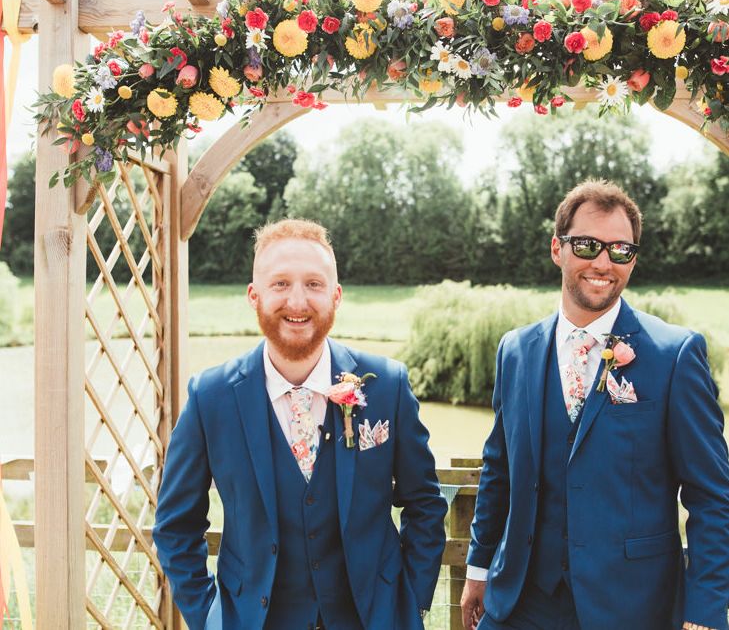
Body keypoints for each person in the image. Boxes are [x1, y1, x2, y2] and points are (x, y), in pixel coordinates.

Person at [460, 180, 729, 630]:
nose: (603, 263)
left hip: (632, 607)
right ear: (557, 249)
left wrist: (703, 614)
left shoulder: (674, 354)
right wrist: (479, 568)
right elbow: (499, 469)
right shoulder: (516, 350)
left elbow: (712, 497)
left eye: (620, 250)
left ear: (633, 259)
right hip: (521, 603)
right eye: (587, 245)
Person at [153, 219, 447, 630]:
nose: (297, 301)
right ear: (253, 296)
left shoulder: (388, 386)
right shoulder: (211, 397)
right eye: (280, 284)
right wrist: (210, 619)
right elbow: (175, 527)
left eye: (313, 284)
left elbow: (425, 506)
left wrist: (409, 603)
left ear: (336, 296)